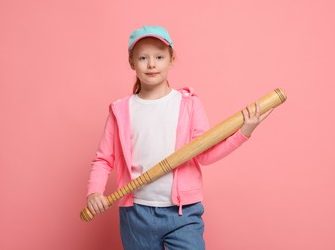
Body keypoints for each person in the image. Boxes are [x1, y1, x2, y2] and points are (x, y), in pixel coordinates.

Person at [86, 25, 272, 249]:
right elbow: (103, 159)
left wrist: (243, 133)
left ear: (171, 60)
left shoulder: (188, 104)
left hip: (183, 213)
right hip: (135, 215)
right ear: (132, 63)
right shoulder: (121, 110)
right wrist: (94, 192)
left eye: (159, 56)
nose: (152, 64)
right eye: (143, 57)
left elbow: (205, 153)